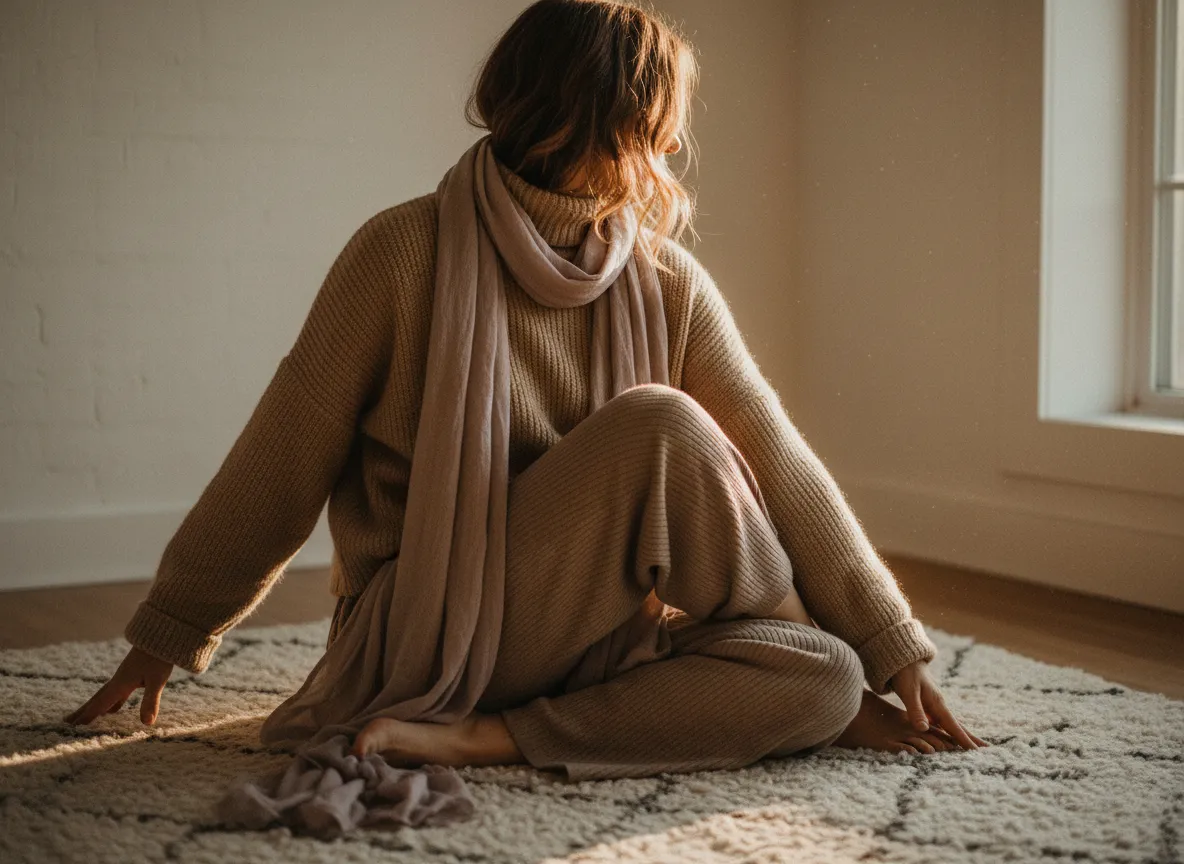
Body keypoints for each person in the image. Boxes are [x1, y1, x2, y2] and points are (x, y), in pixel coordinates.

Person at [64, 0, 987, 780]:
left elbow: (777, 459)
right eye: (659, 126)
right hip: (428, 623)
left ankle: (488, 739)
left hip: (593, 637)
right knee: (661, 425)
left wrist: (885, 640)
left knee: (823, 680)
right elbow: (282, 455)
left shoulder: (666, 282)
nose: (671, 147)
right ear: (617, 125)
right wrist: (173, 629)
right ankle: (478, 708)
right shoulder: (402, 252)